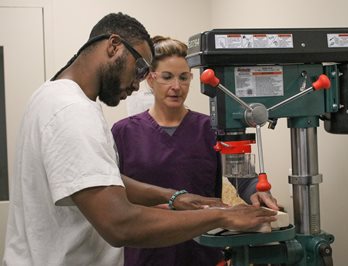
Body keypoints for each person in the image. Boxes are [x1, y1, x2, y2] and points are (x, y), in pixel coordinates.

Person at [2, 13, 278, 266]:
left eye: (184, 78)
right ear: (114, 46)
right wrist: (221, 216)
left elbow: (101, 181)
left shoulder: (49, 96)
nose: (137, 84)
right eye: (140, 69)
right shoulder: (74, 112)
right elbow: (119, 224)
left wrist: (175, 197)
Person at [111, 36, 279, 266]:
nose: (176, 87)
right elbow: (115, 193)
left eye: (184, 77)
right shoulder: (124, 132)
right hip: (146, 253)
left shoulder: (211, 128)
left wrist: (255, 193)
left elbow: (243, 177)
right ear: (151, 79)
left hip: (202, 252)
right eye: (167, 77)